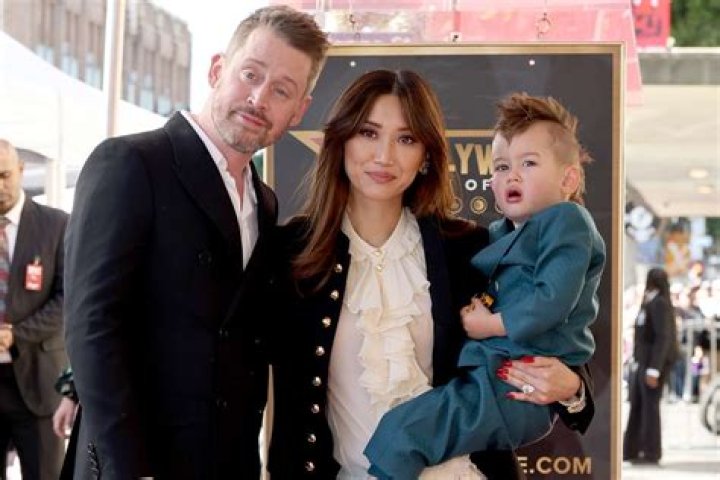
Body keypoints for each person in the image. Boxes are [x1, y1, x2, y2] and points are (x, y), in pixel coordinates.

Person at [268, 72, 596, 480]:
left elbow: (551, 324)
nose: (384, 156)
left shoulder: (468, 248)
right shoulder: (290, 251)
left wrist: (573, 390)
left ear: (426, 155)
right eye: (368, 133)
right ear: (341, 141)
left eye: (406, 139)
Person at [63, 6, 329, 479]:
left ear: (298, 110)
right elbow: (92, 326)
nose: (259, 98)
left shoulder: (265, 203)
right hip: (136, 464)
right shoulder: (130, 163)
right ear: (216, 70)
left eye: (281, 90)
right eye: (250, 74)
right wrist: (131, 470)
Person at [365, 93, 606, 479]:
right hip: (488, 379)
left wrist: (492, 325)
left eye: (529, 163)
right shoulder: (499, 233)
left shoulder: (566, 221)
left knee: (406, 432)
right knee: (404, 430)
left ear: (568, 179)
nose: (512, 175)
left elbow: (553, 301)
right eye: (502, 166)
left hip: (511, 385)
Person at [0, 139, 68, 480]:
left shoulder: (56, 225)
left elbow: (68, 298)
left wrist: (15, 334)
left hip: (38, 383)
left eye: (4, 175)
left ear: (21, 170)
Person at [623, 267, 678, 465]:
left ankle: (651, 451)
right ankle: (633, 449)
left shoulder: (660, 303)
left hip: (652, 366)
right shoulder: (649, 302)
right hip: (642, 363)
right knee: (638, 406)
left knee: (650, 408)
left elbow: (663, 338)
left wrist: (654, 369)